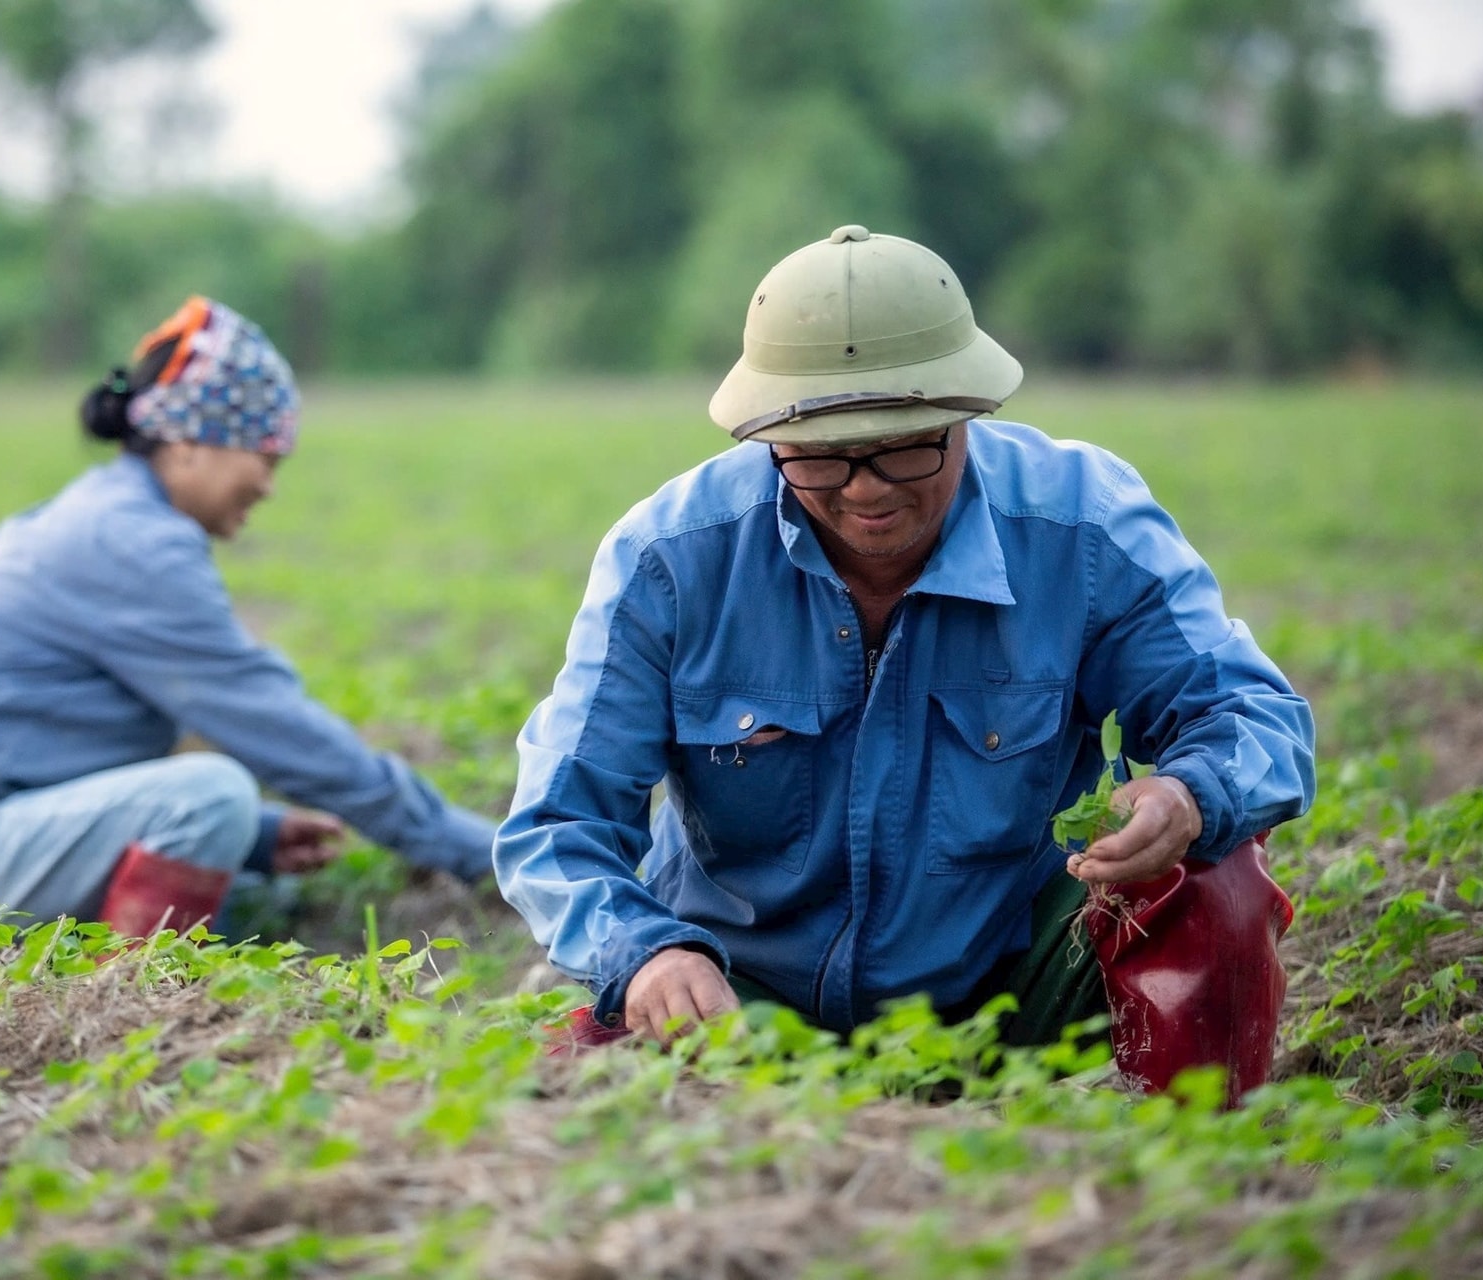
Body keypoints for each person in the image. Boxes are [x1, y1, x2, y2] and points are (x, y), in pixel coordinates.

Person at [494, 226, 1316, 1091]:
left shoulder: (1085, 526)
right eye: (821, 456)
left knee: (1216, 874)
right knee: (597, 1066)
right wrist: (649, 954)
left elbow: (1250, 713)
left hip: (1011, 992)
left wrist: (1188, 795)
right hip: (742, 1005)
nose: (865, 487)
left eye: (903, 446)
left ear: (966, 411)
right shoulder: (670, 560)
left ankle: (1191, 1159)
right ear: (765, 433)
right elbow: (557, 822)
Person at [0, 296, 496, 938]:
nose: (270, 485)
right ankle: (132, 999)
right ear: (190, 443)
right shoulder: (130, 542)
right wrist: (473, 849)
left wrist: (254, 837)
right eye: (266, 457)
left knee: (252, 896)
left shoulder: (110, 516)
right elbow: (276, 727)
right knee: (213, 795)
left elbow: (61, 745)